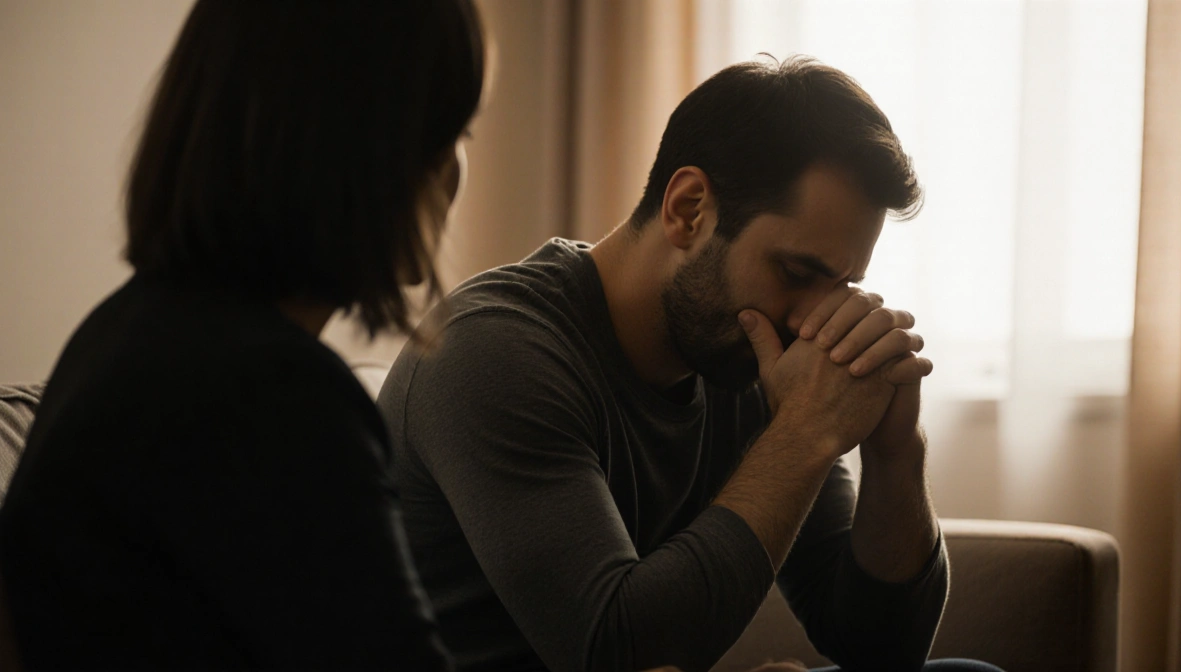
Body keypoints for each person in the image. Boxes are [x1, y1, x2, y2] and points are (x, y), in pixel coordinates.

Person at [378, 57, 1002, 672]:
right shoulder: (495, 351)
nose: (814, 321)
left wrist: (896, 450)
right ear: (688, 208)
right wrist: (804, 434)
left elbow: (883, 653)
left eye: (841, 284)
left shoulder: (747, 357)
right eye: (797, 272)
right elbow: (614, 650)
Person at [0, 0, 484, 668]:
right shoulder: (275, 402)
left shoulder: (121, 334)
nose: (457, 167)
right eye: (448, 129)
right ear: (366, 144)